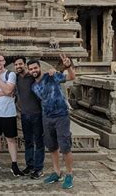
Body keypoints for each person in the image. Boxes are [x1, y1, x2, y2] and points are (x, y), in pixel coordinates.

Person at [27, 54, 76, 190]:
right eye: (31, 69)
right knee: (52, 146)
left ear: (39, 67)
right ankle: (56, 172)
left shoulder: (51, 76)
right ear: (29, 71)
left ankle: (69, 174)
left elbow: (71, 77)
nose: (33, 70)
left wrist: (68, 66)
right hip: (46, 117)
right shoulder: (33, 87)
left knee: (65, 146)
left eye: (35, 68)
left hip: (61, 115)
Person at [14, 56, 44, 179]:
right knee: (28, 142)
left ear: (25, 65)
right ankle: (30, 165)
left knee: (39, 142)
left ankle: (38, 168)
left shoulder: (33, 76)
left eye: (20, 64)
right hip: (25, 114)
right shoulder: (16, 78)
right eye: (16, 65)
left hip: (37, 114)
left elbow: (43, 75)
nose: (18, 66)